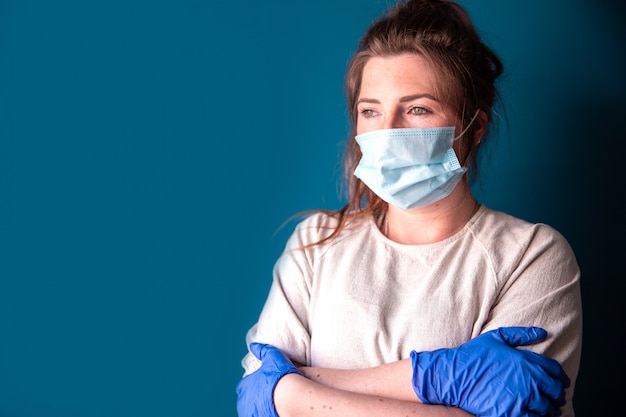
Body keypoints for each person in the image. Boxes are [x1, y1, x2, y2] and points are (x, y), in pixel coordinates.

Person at [236, 0, 582, 416]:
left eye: (417, 109)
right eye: (370, 111)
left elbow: (268, 392)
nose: (387, 132)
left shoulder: (533, 255)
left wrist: (293, 391)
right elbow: (255, 406)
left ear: (474, 130)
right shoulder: (314, 243)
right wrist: (438, 378)